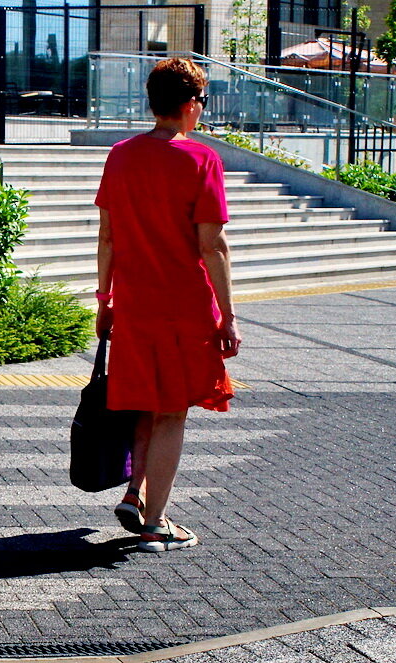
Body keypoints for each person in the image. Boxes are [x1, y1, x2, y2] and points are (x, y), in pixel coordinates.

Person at [93, 58, 242, 553]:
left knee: (145, 404)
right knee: (173, 412)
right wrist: (228, 316)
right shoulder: (201, 160)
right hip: (184, 306)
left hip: (134, 303)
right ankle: (156, 522)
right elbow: (211, 246)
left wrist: (104, 299)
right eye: (201, 102)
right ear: (189, 105)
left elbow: (108, 237)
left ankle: (135, 494)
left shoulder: (120, 156)